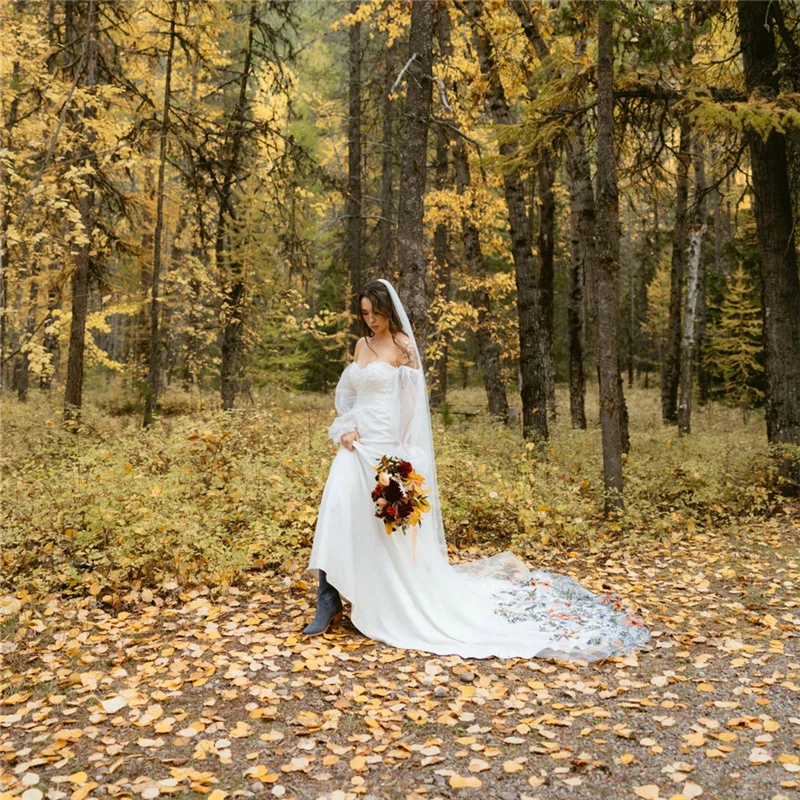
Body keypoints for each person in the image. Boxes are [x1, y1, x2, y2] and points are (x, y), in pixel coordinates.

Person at [303, 278, 650, 661]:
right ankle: (328, 595)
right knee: (336, 507)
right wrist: (347, 428)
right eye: (365, 314)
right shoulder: (361, 345)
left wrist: (403, 455)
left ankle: (381, 595)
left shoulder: (403, 347)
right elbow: (349, 395)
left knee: (386, 527)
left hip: (386, 446)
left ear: (388, 309)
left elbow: (412, 405)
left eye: (375, 313)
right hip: (356, 445)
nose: (370, 321)